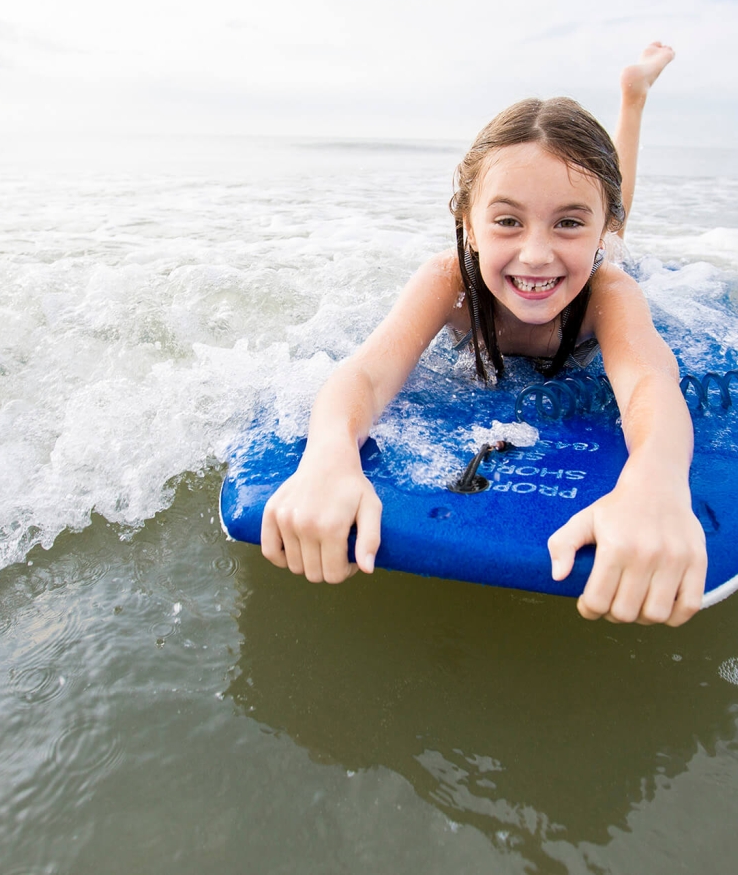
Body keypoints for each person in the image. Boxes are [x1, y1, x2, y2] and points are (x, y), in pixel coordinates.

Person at [261, 42, 707, 626]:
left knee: (619, 224)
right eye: (507, 221)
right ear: (468, 225)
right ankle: (625, 110)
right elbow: (367, 373)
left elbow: (651, 384)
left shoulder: (610, 293)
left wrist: (658, 477)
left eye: (569, 223)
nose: (536, 253)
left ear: (597, 231)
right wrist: (329, 453)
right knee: (592, 209)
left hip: (604, 260)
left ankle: (632, 99)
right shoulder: (449, 283)